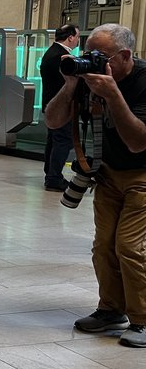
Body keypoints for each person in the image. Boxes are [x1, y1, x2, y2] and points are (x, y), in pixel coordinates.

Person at [45, 24, 146, 348]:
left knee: (129, 247)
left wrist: (112, 93)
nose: (90, 61)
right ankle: (110, 310)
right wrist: (71, 85)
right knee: (103, 246)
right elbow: (53, 120)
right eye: (87, 54)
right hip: (108, 173)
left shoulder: (143, 81)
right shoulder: (89, 80)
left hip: (142, 174)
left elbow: (137, 142)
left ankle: (142, 320)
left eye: (99, 56)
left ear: (126, 56)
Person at [41, 25, 80, 192]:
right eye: (77, 36)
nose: (78, 40)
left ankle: (50, 172)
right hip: (61, 106)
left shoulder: (51, 52)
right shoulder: (60, 57)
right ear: (70, 37)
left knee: (54, 139)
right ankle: (54, 177)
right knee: (63, 140)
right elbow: (66, 83)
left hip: (52, 105)